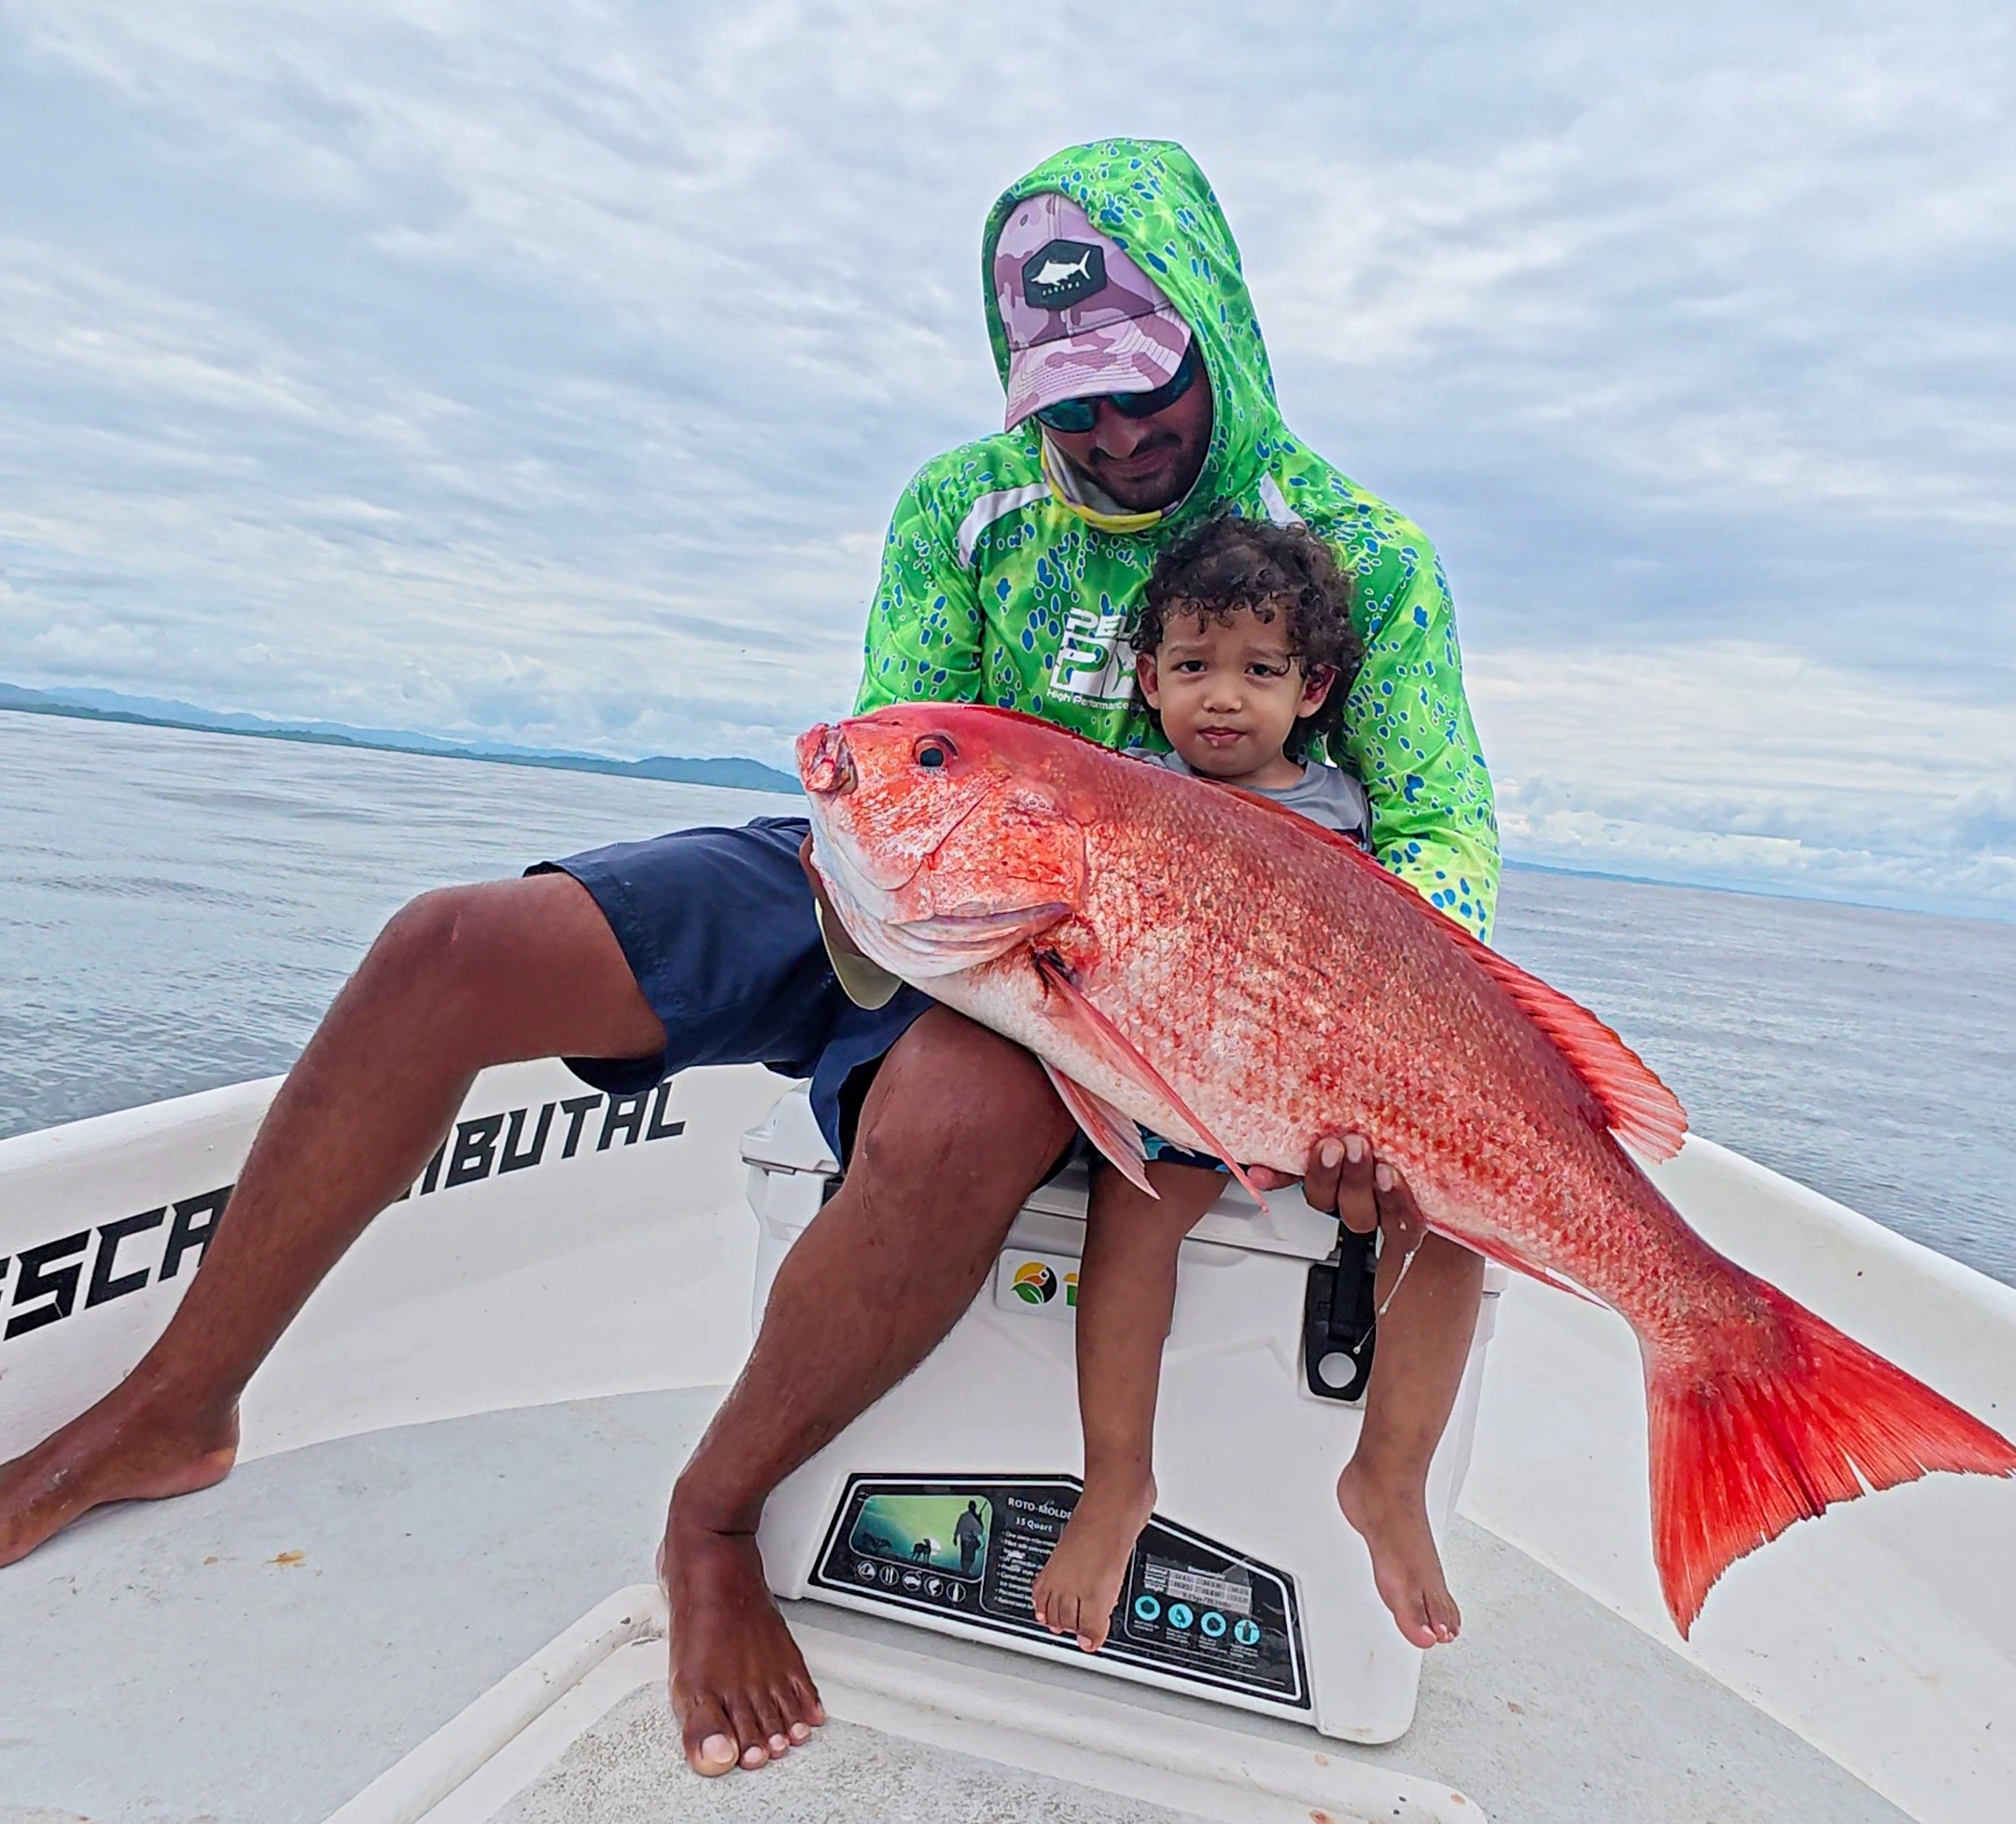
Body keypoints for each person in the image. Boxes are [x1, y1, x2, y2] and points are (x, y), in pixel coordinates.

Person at [0, 139, 1495, 1775]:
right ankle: (181, 1399)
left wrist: (1364, 1065)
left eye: (1153, 387)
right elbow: (892, 742)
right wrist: (884, 900)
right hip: (911, 882)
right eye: (1077, 406)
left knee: (954, 1117)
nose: (1123, 434)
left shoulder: (1359, 549)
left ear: (1220, 323)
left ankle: (712, 1517)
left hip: (1119, 980)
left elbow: (1438, 848)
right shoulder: (958, 505)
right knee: (450, 945)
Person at [1030, 511, 1387, 1651]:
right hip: (1181, 1099)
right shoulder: (1126, 791)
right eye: (1192, 666)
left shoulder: (1342, 813)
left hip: (1311, 1103)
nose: (1221, 697)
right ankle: (1117, 1478)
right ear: (1147, 678)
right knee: (1131, 1223)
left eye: (1259, 670)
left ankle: (1394, 1475)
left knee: (1446, 1232)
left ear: (1314, 686)